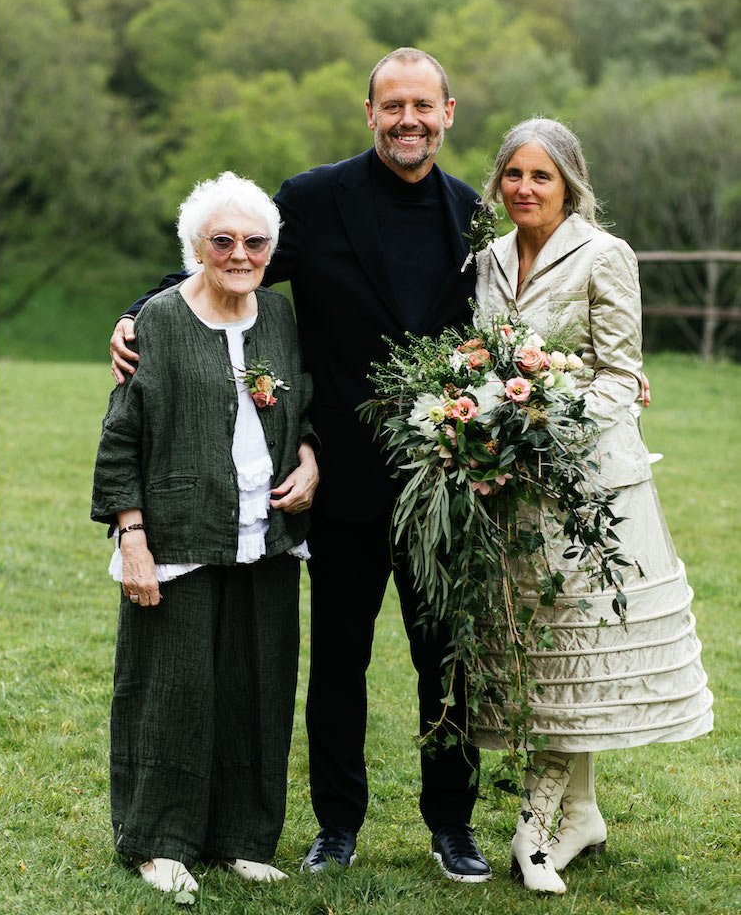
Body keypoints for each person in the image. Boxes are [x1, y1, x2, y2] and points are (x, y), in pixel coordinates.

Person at [110, 48, 493, 882]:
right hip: (338, 481)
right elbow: (224, 266)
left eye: (423, 106)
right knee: (338, 665)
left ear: (449, 113)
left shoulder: (474, 214)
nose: (408, 121)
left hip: (443, 487)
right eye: (392, 106)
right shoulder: (316, 201)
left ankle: (452, 826)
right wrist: (138, 313)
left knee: (447, 666)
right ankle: (337, 825)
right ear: (370, 113)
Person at [470, 117, 713, 895]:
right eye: (514, 175)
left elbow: (618, 375)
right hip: (507, 487)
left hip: (585, 487)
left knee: (574, 644)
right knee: (536, 648)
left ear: (569, 182)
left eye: (541, 177)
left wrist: (543, 423)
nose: (525, 189)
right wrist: (483, 425)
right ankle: (582, 813)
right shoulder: (486, 261)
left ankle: (535, 829)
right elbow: (476, 359)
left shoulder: (606, 255)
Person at [91, 172, 317, 895]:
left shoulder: (281, 319)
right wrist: (132, 538)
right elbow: (120, 436)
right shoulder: (156, 321)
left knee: (258, 685)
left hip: (268, 532)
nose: (240, 255)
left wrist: (310, 455)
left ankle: (242, 837)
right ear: (196, 247)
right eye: (223, 241)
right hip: (180, 529)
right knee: (171, 689)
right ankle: (158, 840)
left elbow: (307, 402)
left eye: (255, 243)